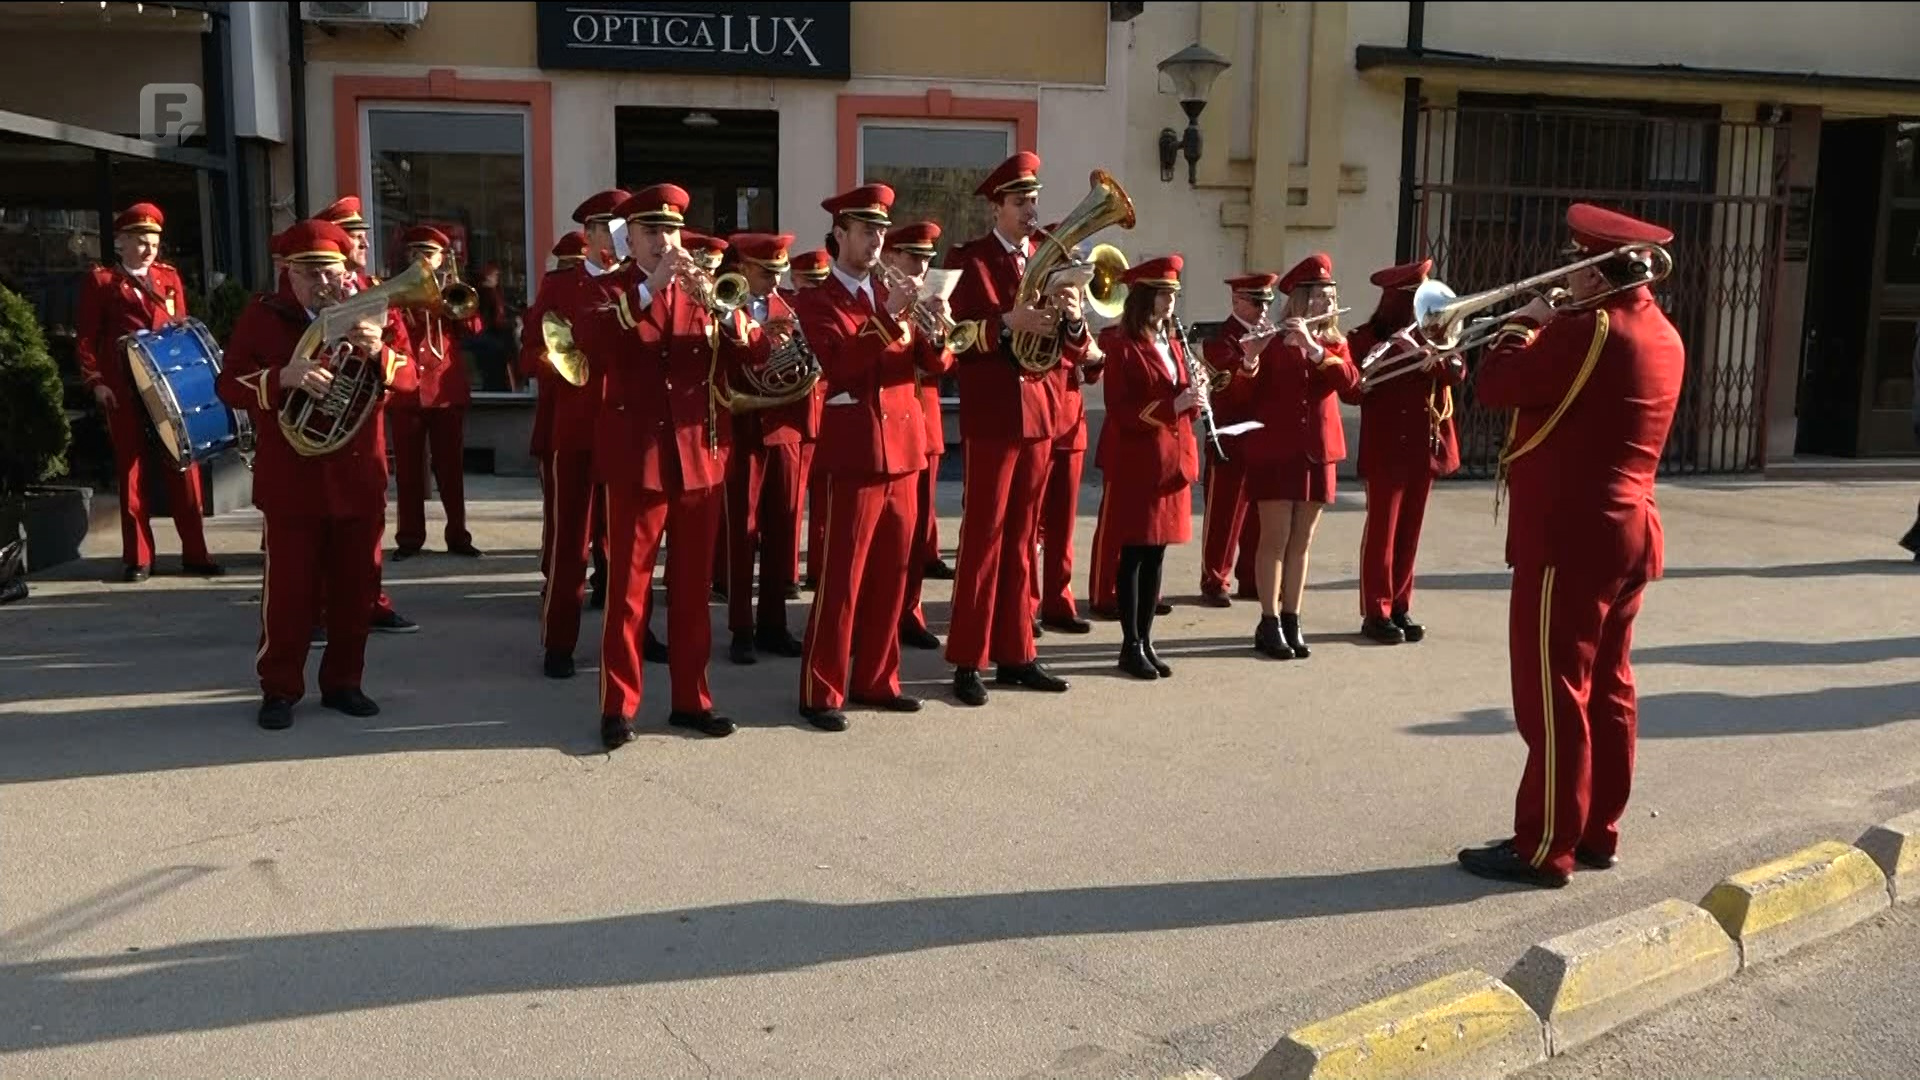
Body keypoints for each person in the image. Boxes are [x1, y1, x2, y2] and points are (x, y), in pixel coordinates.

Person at [1455, 203, 1686, 889]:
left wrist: (1525, 320)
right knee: (1609, 688)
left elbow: (1494, 385)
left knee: (1553, 692)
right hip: (1628, 529)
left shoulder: (1594, 332)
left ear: (1595, 270)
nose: (1566, 278)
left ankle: (1545, 846)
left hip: (1571, 535)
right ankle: (1594, 831)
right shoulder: (1661, 331)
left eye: (1575, 263)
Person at [589, 183, 773, 750]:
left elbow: (757, 352)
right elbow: (597, 344)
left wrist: (734, 315)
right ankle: (618, 706)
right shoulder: (614, 288)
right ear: (632, 239)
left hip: (700, 459)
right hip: (640, 459)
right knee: (629, 590)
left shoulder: (703, 292)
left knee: (693, 590)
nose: (665, 242)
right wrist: (649, 288)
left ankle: (692, 700)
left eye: (670, 232)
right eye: (652, 233)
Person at [216, 219, 399, 730]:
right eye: (310, 274)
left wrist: (379, 351)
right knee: (290, 594)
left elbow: (409, 376)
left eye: (332, 273)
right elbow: (228, 385)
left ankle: (344, 682)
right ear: (287, 274)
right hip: (291, 479)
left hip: (358, 474)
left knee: (355, 590)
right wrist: (283, 378)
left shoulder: (374, 309)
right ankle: (279, 688)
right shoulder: (263, 315)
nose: (324, 285)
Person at [792, 183, 955, 731]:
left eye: (881, 231)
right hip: (855, 453)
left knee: (893, 574)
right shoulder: (817, 300)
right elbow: (838, 367)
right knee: (842, 579)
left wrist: (938, 324)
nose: (877, 240)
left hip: (904, 450)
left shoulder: (892, 292)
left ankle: (878, 679)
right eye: (866, 231)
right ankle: (822, 689)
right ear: (840, 235)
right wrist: (887, 316)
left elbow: (935, 364)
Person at [941, 150, 1088, 707]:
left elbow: (1072, 348)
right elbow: (956, 337)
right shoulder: (971, 260)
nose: (1030, 210)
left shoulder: (1050, 262)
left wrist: (1072, 315)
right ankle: (967, 659)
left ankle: (1017, 652)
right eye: (1021, 201)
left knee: (1026, 537)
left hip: (1042, 414)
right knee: (984, 536)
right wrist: (1006, 323)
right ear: (996, 207)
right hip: (995, 414)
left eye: (1034, 200)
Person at [1217, 253, 1359, 660]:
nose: (1328, 305)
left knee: (1303, 540)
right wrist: (1251, 357)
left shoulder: (1334, 343)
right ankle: (1268, 621)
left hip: (1319, 450)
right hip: (1277, 451)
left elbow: (1352, 387)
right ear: (1300, 300)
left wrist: (1315, 349)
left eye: (1331, 298)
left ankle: (1293, 617)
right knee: (1274, 539)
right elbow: (1240, 396)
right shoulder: (1273, 340)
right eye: (1320, 298)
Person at [73, 202, 222, 582]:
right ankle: (138, 557)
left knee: (183, 467)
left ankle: (196, 552)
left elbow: (182, 328)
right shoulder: (103, 282)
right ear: (120, 242)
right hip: (124, 388)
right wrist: (96, 381)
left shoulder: (168, 277)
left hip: (168, 389)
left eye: (154, 241)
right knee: (133, 473)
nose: (149, 248)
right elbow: (87, 337)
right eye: (140, 241)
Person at [523, 198, 628, 680]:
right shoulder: (561, 285)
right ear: (590, 233)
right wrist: (562, 363)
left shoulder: (638, 282)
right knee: (572, 542)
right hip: (579, 429)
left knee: (632, 546)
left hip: (631, 429)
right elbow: (527, 354)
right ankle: (559, 641)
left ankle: (634, 634)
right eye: (614, 229)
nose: (621, 238)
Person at [1339, 259, 1465, 645]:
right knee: (1383, 532)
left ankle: (1399, 604)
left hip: (1424, 445)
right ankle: (1375, 611)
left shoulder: (1435, 334)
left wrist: (1438, 354)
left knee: (1410, 531)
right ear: (1398, 302)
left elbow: (1457, 373)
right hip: (1387, 448)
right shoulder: (1364, 338)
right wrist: (1399, 351)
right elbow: (1352, 390)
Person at [1093, 256, 1202, 680]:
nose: (1171, 301)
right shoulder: (1122, 346)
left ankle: (1147, 638)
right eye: (1165, 294)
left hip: (1172, 459)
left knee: (1157, 552)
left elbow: (1179, 404)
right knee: (1135, 553)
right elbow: (1119, 409)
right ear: (1144, 297)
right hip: (1139, 461)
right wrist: (1171, 406)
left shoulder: (1174, 343)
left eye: (1174, 294)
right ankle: (1129, 644)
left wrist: (1193, 401)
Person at [315, 194, 419, 635]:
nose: (362, 244)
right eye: (353, 237)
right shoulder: (308, 292)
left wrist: (379, 353)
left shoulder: (378, 293)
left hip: (366, 421)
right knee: (321, 519)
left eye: (361, 236)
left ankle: (369, 600)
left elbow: (405, 361)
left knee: (370, 515)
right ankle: (317, 607)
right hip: (319, 420)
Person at [721, 231, 810, 665]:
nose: (775, 282)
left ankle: (774, 624)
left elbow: (810, 367)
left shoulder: (788, 309)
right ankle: (741, 627)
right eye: (766, 273)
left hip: (785, 430)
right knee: (742, 532)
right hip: (742, 428)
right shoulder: (726, 308)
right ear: (743, 270)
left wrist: (795, 351)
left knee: (782, 530)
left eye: (779, 272)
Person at [392, 225, 485, 560]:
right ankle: (409, 538)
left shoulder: (451, 287)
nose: (422, 260)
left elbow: (474, 328)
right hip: (407, 390)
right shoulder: (399, 291)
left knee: (451, 469)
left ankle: (458, 535)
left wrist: (450, 301)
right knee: (408, 471)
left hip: (445, 391)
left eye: (428, 254)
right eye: (416, 253)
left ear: (443, 259)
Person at [880, 220, 950, 650]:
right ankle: (882, 619)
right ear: (891, 259)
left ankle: (911, 611)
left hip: (925, 423)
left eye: (927, 260)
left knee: (917, 533)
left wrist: (940, 333)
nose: (922, 268)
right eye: (914, 259)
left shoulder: (922, 302)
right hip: (889, 427)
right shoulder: (883, 299)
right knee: (887, 541)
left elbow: (942, 365)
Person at [1197, 274, 1280, 607]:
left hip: (1264, 436)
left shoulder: (1269, 336)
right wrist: (1251, 357)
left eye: (1267, 303)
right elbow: (1230, 386)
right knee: (1225, 514)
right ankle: (1214, 579)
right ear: (1236, 302)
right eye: (1257, 303)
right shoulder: (1221, 338)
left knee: (1260, 514)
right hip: (1230, 436)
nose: (1263, 310)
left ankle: (1251, 577)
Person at [1030, 217, 1095, 638]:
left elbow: (1085, 356)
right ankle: (1027, 605)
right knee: (1029, 525)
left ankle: (1059, 599)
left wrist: (1075, 321)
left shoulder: (1074, 303)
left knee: (1062, 523)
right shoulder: (1033, 297)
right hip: (1037, 419)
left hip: (1070, 421)